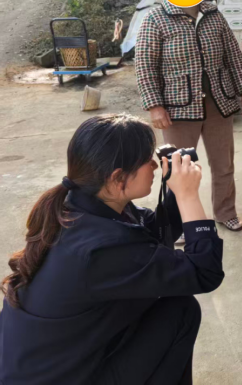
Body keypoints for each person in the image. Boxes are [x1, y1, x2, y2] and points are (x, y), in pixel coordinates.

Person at [0, 114, 224, 384]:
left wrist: (176, 188)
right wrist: (188, 196)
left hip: (52, 359)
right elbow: (204, 272)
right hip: (58, 377)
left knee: (174, 307)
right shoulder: (100, 249)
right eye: (147, 159)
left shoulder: (80, 205)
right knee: (181, 311)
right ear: (118, 178)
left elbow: (152, 234)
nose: (154, 164)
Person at [136, 0, 242, 238]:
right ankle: (177, 224)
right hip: (177, 109)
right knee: (178, 170)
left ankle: (225, 212)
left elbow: (233, 56)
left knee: (223, 164)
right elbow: (145, 66)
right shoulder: (156, 19)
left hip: (218, 104)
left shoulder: (213, 15)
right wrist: (155, 106)